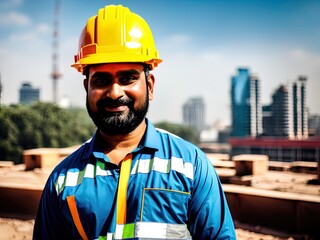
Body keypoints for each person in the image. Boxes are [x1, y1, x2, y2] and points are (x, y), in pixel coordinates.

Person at [33, 4, 236, 240]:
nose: (115, 92)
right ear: (86, 87)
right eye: (101, 80)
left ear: (149, 86)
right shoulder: (63, 179)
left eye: (128, 78)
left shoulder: (190, 165)